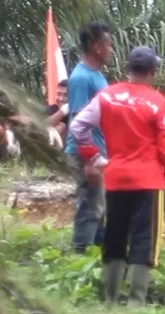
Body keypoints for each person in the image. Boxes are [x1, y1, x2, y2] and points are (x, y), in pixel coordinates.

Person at [69, 46, 165, 306]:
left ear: (128, 68)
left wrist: (95, 157)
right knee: (145, 239)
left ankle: (111, 301)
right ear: (153, 71)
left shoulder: (107, 96)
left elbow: (78, 126)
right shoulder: (158, 102)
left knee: (115, 236)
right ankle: (135, 304)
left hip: (116, 178)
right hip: (149, 181)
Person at [65, 22, 113, 254]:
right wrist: (89, 162)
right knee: (89, 209)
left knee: (100, 209)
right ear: (96, 46)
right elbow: (77, 121)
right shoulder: (81, 79)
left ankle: (98, 259)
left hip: (98, 151)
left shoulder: (96, 76)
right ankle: (80, 258)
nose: (111, 49)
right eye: (108, 44)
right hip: (88, 153)